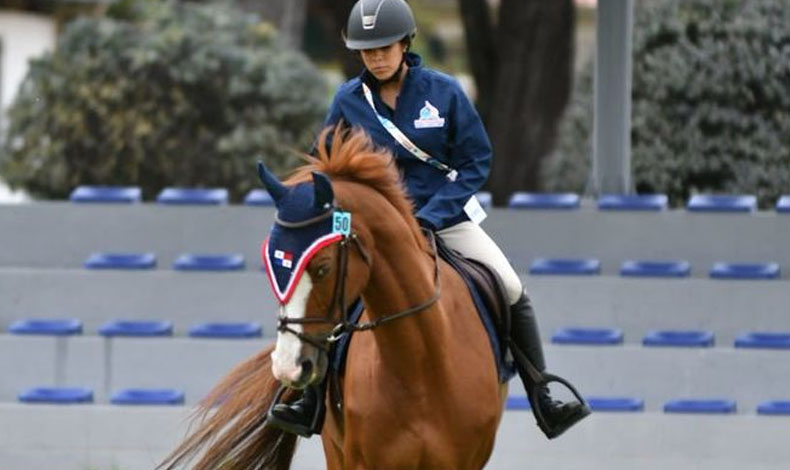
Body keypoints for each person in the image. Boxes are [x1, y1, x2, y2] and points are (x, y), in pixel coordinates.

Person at [268, 0, 589, 439]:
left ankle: (543, 394)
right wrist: (331, 218)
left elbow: (477, 160)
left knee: (511, 286)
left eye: (384, 47)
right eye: (368, 50)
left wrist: (433, 216)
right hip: (368, 229)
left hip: (444, 218)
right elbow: (327, 167)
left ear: (405, 43)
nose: (377, 57)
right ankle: (310, 399)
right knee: (335, 286)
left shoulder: (444, 92)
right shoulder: (348, 100)